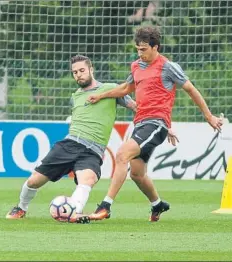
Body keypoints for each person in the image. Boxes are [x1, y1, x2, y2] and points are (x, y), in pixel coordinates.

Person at [87, 26, 223, 222]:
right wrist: (100, 96)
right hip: (141, 124)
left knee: (122, 154)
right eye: (137, 49)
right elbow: (126, 88)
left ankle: (105, 206)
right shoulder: (136, 66)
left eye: (143, 49)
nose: (139, 53)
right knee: (136, 173)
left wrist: (209, 116)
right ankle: (157, 204)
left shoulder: (168, 67)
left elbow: (191, 90)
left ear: (155, 47)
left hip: (157, 124)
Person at [6, 55, 137, 223]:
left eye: (82, 70)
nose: (78, 75)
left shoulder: (111, 89)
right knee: (33, 181)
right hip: (70, 144)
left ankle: (73, 213)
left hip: (93, 150)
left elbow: (135, 106)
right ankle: (21, 208)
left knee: (87, 180)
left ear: (91, 69)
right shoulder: (75, 96)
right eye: (74, 72)